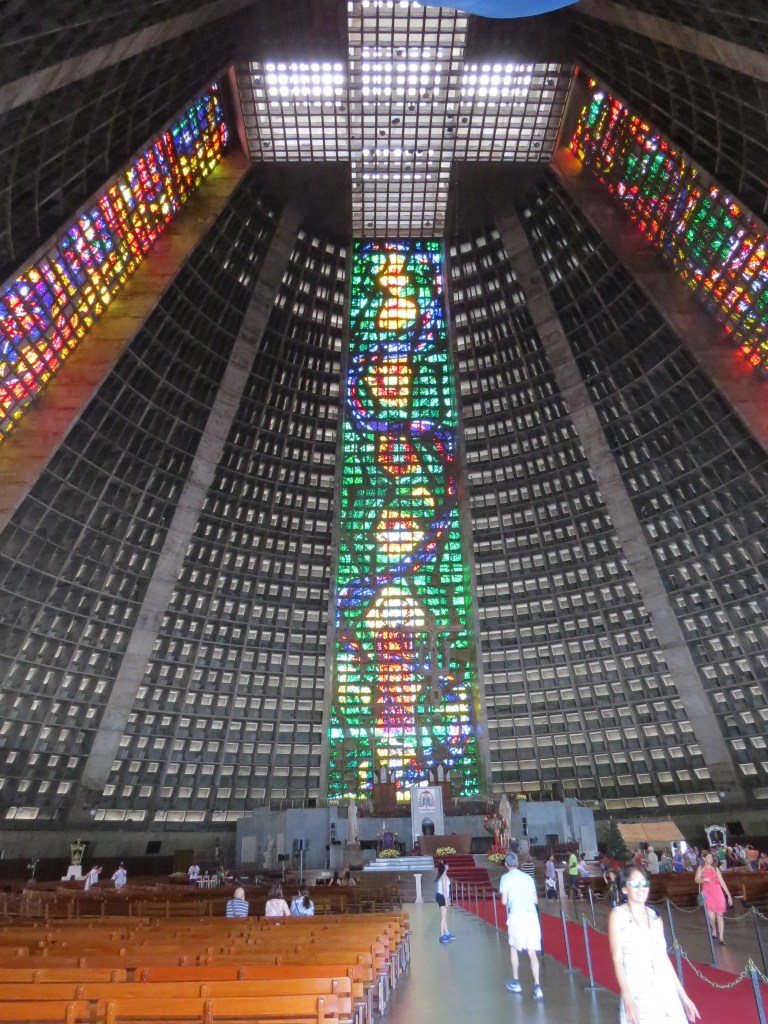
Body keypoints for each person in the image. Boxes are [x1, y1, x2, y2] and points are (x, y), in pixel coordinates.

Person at [609, 866, 699, 1024]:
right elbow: (617, 959)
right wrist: (627, 998)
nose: (641, 888)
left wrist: (684, 997)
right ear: (624, 889)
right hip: (638, 989)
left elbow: (663, 959)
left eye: (644, 884)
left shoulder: (655, 917)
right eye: (635, 884)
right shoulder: (618, 916)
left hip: (664, 988)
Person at [499, 852, 543, 1000]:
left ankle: (516, 981)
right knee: (532, 952)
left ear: (506, 864)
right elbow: (536, 900)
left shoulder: (505, 878)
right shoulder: (528, 878)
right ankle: (537, 986)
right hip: (531, 916)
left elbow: (504, 902)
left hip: (517, 915)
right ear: (517, 863)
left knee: (514, 947)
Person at [695, 850, 733, 945]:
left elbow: (722, 882)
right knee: (711, 917)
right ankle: (714, 929)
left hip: (718, 893)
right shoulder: (701, 868)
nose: (710, 859)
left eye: (711, 857)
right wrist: (703, 879)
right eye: (708, 857)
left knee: (719, 915)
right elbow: (696, 879)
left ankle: (721, 937)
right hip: (707, 893)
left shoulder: (715, 868)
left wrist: (728, 895)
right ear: (704, 858)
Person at [435, 861, 455, 943]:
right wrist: (446, 900)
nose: (448, 865)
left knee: (445, 915)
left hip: (441, 896)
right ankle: (442, 935)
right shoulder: (444, 876)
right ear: (445, 867)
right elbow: (444, 888)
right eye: (447, 864)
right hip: (442, 896)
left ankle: (446, 932)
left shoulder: (442, 875)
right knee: (443, 916)